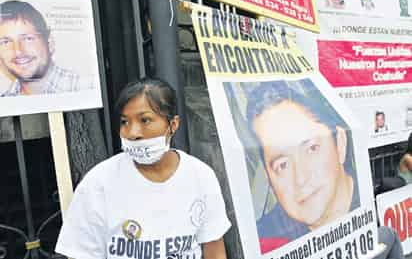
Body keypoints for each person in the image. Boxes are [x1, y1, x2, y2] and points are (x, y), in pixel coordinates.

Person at [55, 78, 231, 259]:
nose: (133, 133)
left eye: (145, 120)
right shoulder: (98, 184)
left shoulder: (200, 176)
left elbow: (214, 250)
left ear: (173, 125)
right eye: (125, 122)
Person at [245, 80, 359, 253]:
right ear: (269, 178)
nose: (300, 178)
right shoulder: (263, 243)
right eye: (282, 165)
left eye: (312, 149)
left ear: (340, 143)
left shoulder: (377, 202)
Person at [0, 0, 84, 96]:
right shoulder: (5, 103)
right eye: (6, 42)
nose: (18, 51)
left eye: (28, 39)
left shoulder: (86, 88)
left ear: (49, 42)